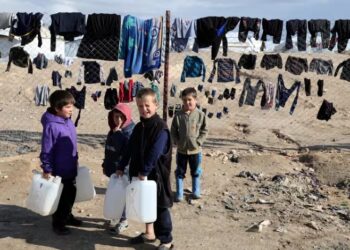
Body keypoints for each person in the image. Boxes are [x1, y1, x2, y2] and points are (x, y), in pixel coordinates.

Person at [116, 88, 174, 250]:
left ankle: (166, 240)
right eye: (140, 106)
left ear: (155, 105)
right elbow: (129, 147)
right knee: (146, 204)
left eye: (147, 105)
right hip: (141, 174)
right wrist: (121, 166)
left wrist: (145, 171)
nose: (144, 109)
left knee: (160, 207)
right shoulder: (139, 126)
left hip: (156, 175)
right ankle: (149, 233)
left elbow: (155, 152)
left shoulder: (160, 127)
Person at [39, 90, 82, 235]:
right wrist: (47, 168)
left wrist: (76, 158)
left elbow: (72, 142)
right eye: (68, 107)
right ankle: (58, 223)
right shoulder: (51, 126)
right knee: (61, 197)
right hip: (59, 169)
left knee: (71, 193)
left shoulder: (68, 121)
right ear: (57, 109)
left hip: (70, 166)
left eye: (72, 106)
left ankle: (67, 216)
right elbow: (47, 149)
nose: (71, 110)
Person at [102, 103, 135, 234]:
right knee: (116, 194)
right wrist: (105, 164)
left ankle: (124, 220)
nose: (119, 120)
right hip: (114, 169)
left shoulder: (129, 132)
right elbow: (109, 150)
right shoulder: (113, 130)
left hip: (124, 170)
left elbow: (127, 151)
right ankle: (117, 215)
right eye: (116, 117)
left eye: (122, 117)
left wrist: (118, 135)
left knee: (124, 196)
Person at [171, 87, 208, 202]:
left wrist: (199, 141)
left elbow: (204, 130)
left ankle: (196, 191)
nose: (187, 102)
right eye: (184, 100)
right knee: (180, 171)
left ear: (195, 100)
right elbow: (173, 131)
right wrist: (176, 140)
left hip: (195, 151)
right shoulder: (178, 116)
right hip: (181, 150)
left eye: (189, 100)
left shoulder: (200, 115)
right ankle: (179, 193)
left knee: (196, 171)